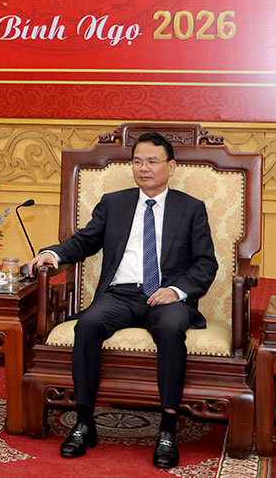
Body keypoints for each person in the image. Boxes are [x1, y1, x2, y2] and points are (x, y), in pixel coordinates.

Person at [27, 132, 217, 468]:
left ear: (171, 166)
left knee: (171, 329)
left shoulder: (190, 208)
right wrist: (53, 254)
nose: (144, 168)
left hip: (166, 296)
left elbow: (205, 263)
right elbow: (84, 241)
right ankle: (84, 422)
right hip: (121, 294)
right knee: (87, 325)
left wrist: (176, 291)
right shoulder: (114, 203)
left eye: (152, 161)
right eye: (137, 161)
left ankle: (167, 428)